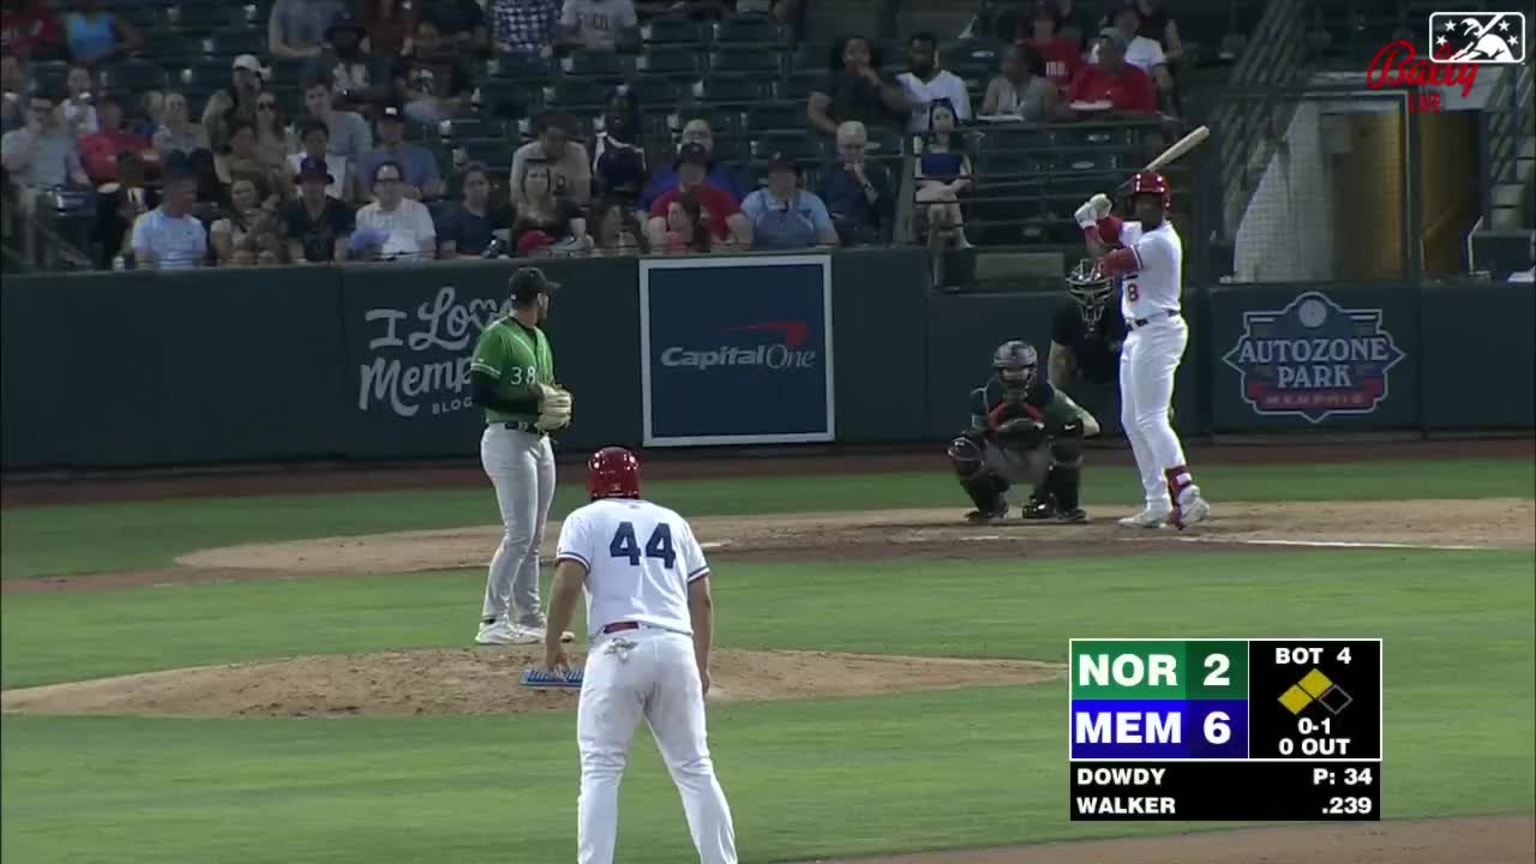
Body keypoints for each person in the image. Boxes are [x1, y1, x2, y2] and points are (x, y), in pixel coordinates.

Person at [540, 446, 738, 864]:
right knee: (695, 769)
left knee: (601, 771)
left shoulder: (584, 520)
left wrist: (552, 642)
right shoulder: (672, 521)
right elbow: (701, 599)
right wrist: (701, 666)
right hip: (676, 648)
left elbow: (567, 582)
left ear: (593, 485)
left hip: (618, 652)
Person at [1076, 172, 1210, 528]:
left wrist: (1089, 225)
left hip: (1160, 331)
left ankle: (1187, 495)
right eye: (1140, 201)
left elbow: (1104, 261)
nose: (1144, 206)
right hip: (1138, 333)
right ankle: (1157, 501)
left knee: (1151, 418)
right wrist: (1102, 216)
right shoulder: (1140, 232)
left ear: (1163, 205)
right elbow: (1115, 231)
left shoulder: (1160, 243)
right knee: (1132, 421)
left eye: (1151, 201)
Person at [468, 266, 575, 646]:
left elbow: (541, 392)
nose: (549, 300)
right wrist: (529, 403)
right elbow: (479, 392)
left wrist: (540, 405)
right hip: (506, 439)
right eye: (547, 295)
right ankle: (492, 619)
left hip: (539, 442)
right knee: (519, 534)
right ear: (539, 298)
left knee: (533, 537)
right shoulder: (498, 336)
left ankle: (530, 617)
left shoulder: (540, 339)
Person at [947, 340, 1100, 524]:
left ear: (1031, 369)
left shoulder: (1047, 394)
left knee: (1067, 443)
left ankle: (1064, 506)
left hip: (1039, 456)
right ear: (999, 371)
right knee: (962, 449)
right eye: (1009, 370)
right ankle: (991, 506)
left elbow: (1092, 425)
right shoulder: (986, 397)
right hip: (1004, 456)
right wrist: (996, 432)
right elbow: (978, 433)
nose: (1015, 375)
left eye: (1021, 369)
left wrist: (1055, 429)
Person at [1050, 258, 1128, 434]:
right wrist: (1056, 398)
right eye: (1084, 290)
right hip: (1086, 381)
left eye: (1095, 290)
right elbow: (1057, 358)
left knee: (1125, 428)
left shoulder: (1123, 310)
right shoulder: (1067, 314)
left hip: (1122, 382)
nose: (1090, 297)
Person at [644, 142, 748, 249]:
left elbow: (741, 229)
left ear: (706, 171)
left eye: (698, 167)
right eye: (688, 167)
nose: (693, 171)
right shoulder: (664, 201)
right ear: (678, 169)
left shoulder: (722, 198)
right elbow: (655, 229)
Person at [807, 34, 908, 137]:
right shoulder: (831, 79)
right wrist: (840, 132)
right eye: (852, 52)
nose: (859, 56)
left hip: (881, 134)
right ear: (843, 57)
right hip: (844, 135)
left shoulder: (886, 78)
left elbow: (900, 107)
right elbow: (815, 112)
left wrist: (877, 83)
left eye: (864, 52)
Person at [637, 116, 747, 210]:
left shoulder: (729, 176)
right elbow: (642, 209)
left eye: (702, 135)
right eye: (691, 135)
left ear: (712, 143)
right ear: (681, 142)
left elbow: (745, 209)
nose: (696, 139)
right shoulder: (662, 176)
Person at [1, 87, 87, 202]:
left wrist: (87, 186)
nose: (41, 115)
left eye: (47, 111)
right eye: (37, 110)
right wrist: (31, 136)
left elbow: (76, 170)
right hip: (26, 193)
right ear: (26, 111)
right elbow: (11, 165)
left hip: (58, 193)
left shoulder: (63, 139)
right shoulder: (12, 137)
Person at [816, 119, 893, 246]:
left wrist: (862, 178)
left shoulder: (877, 171)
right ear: (839, 148)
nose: (853, 152)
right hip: (832, 230)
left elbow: (885, 209)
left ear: (865, 146)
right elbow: (818, 205)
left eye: (858, 147)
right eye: (848, 147)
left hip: (864, 229)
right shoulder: (828, 172)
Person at [740, 153, 838, 250]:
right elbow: (743, 242)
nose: (781, 176)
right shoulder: (753, 200)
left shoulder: (812, 202)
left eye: (786, 172)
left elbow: (829, 240)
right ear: (768, 177)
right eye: (776, 172)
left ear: (796, 176)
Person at [303, 16, 399, 111]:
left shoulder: (375, 61)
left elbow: (384, 91)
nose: (345, 36)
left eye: (350, 32)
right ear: (332, 36)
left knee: (390, 111)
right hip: (333, 115)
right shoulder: (319, 62)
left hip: (372, 114)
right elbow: (314, 96)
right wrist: (353, 106)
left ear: (358, 35)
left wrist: (347, 94)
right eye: (340, 32)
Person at [1064, 28, 1158, 118]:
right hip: (1086, 128)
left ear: (1120, 53)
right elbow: (1068, 105)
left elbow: (1148, 114)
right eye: (1099, 50)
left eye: (1105, 51)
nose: (1099, 54)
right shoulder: (1085, 74)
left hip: (1126, 130)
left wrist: (1116, 114)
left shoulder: (1138, 76)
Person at [914, 99, 970, 248]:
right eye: (938, 118)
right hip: (923, 195)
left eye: (946, 116)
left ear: (954, 119)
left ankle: (931, 246)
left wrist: (950, 189)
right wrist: (940, 187)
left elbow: (965, 176)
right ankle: (961, 239)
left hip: (949, 200)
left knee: (937, 209)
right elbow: (917, 175)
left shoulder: (960, 144)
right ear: (931, 122)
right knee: (945, 199)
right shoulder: (920, 142)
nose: (943, 121)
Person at [353, 158, 436, 259]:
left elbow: (428, 248)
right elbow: (363, 254)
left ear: (403, 186)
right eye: (383, 182)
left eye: (393, 182)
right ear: (375, 187)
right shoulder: (364, 214)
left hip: (413, 269)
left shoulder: (419, 210)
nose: (388, 187)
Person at [356, 103, 441, 201]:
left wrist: (418, 192)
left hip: (415, 208)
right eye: (385, 124)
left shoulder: (424, 155)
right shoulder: (367, 158)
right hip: (379, 210)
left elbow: (433, 186)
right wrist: (384, 203)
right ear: (377, 127)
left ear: (403, 126)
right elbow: (363, 193)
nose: (390, 129)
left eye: (394, 124)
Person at [1090, 1, 1173, 96]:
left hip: (1138, 95)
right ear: (1114, 20)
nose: (1128, 20)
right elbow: (1093, 75)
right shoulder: (1100, 46)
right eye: (1123, 16)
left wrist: (1160, 82)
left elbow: (1162, 77)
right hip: (1105, 96)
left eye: (1133, 16)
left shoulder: (1152, 45)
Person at [129, 168, 207, 269]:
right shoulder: (144, 222)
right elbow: (143, 263)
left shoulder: (197, 225)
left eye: (194, 193)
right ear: (171, 192)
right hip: (157, 282)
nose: (194, 198)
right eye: (189, 193)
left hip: (189, 281)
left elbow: (199, 265)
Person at [397, 18, 470, 125]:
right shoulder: (406, 61)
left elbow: (467, 94)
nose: (427, 42)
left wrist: (452, 102)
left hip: (444, 111)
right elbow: (400, 90)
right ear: (415, 39)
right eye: (422, 38)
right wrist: (431, 100)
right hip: (413, 110)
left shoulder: (452, 62)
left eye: (432, 37)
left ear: (438, 39)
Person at [896, 31, 971, 133]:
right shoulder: (900, 81)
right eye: (914, 53)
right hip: (910, 143)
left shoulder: (955, 84)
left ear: (934, 55)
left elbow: (962, 122)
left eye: (922, 53)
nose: (917, 58)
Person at [509, 112, 591, 205]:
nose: (559, 144)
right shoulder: (522, 154)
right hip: (530, 211)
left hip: (566, 210)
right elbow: (516, 194)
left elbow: (583, 195)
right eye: (553, 138)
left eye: (563, 139)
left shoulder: (578, 152)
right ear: (541, 136)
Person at [510, 159, 588, 254]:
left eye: (543, 176)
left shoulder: (568, 206)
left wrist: (555, 251)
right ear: (523, 181)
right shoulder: (511, 210)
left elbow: (582, 241)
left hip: (562, 257)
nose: (538, 180)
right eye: (533, 176)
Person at [91, 149, 154, 267]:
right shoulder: (108, 200)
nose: (133, 173)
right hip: (118, 254)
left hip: (148, 253)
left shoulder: (150, 197)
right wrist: (122, 219)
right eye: (129, 169)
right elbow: (97, 234)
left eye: (137, 169)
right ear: (119, 173)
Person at [283, 155, 352, 263]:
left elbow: (341, 248)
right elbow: (295, 251)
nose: (312, 186)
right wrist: (309, 267)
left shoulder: (340, 209)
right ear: (301, 184)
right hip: (302, 272)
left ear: (325, 183)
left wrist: (330, 265)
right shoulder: (291, 210)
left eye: (317, 181)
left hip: (334, 270)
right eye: (308, 181)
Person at [293, 75, 372, 165]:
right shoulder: (300, 127)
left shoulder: (355, 122)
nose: (317, 101)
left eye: (321, 95)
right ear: (305, 102)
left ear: (331, 96)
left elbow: (366, 158)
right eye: (311, 97)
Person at [436, 161, 509, 257]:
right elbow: (448, 255)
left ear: (489, 186)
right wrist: (482, 261)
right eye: (471, 184)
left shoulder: (500, 215)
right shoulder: (451, 216)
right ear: (463, 188)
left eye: (481, 183)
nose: (477, 188)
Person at [77, 91, 148, 185]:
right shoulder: (87, 142)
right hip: (102, 191)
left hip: (133, 189)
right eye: (102, 108)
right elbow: (97, 167)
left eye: (110, 107)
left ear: (121, 111)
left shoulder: (137, 141)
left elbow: (147, 164)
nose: (106, 112)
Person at [210, 177, 282, 265]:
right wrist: (255, 231)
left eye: (248, 191)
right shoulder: (221, 224)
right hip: (235, 271)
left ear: (256, 195)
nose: (243, 196)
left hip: (266, 269)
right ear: (231, 198)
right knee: (241, 257)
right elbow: (226, 255)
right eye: (238, 193)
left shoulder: (269, 221)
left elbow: (280, 255)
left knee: (267, 256)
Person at [591, 89, 645, 205]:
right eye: (612, 110)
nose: (617, 116)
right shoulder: (593, 143)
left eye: (624, 111)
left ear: (634, 114)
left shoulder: (648, 146)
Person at [201, 55, 265, 152]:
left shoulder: (264, 101)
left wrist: (254, 96)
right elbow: (208, 120)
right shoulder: (221, 97)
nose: (241, 76)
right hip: (225, 150)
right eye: (237, 72)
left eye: (245, 73)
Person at [980, 42, 1058, 121]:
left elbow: (1051, 120)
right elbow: (986, 112)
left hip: (1035, 131)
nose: (1004, 65)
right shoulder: (995, 85)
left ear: (1027, 65)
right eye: (1004, 61)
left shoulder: (1045, 87)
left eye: (1010, 61)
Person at [1018, 0, 1081, 92]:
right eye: (1038, 18)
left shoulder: (1068, 47)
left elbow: (1079, 78)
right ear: (1030, 21)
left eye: (1047, 18)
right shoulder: (1021, 47)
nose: (1042, 22)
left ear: (1055, 21)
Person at [216, 119, 283, 204]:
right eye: (242, 137)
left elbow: (275, 193)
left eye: (250, 138)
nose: (246, 142)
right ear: (231, 141)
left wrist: (268, 204)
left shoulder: (262, 163)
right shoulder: (223, 160)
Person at [286, 118, 350, 201]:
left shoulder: (341, 164)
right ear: (304, 142)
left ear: (327, 141)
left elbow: (348, 196)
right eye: (311, 141)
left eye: (320, 141)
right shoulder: (291, 162)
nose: (316, 145)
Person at [62, 0, 139, 66]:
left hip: (109, 65)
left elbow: (136, 41)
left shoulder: (111, 19)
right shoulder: (66, 20)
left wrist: (113, 49)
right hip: (80, 69)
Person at [266, 0, 347, 59]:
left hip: (328, 62)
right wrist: (305, 54)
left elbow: (346, 36)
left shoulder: (336, 4)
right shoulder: (282, 4)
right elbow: (275, 47)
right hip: (293, 65)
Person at [557, 0, 639, 53]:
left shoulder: (623, 3)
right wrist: (585, 44)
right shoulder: (573, 1)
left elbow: (635, 40)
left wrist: (615, 45)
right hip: (582, 56)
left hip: (615, 57)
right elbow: (563, 36)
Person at [422, 0, 491, 57]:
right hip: (433, 63)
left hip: (464, 62)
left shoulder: (473, 8)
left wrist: (448, 42)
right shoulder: (429, 6)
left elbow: (480, 41)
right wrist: (455, 39)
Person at [153, 91, 209, 159]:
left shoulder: (201, 131)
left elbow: (205, 156)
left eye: (180, 104)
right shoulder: (159, 137)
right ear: (165, 111)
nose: (177, 108)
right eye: (172, 105)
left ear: (187, 110)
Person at [493, 0, 560, 56]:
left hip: (542, 57)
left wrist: (550, 47)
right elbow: (498, 39)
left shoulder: (547, 4)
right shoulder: (503, 5)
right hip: (512, 57)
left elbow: (555, 35)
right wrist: (505, 48)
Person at [60, 62, 94, 136]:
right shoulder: (62, 108)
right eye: (75, 79)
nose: (79, 83)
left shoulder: (97, 110)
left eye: (84, 79)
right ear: (68, 83)